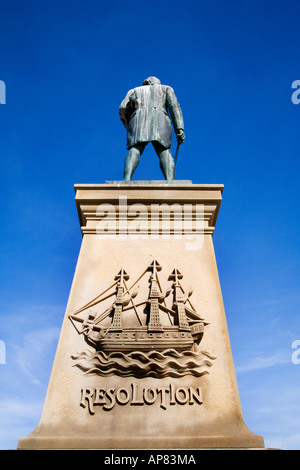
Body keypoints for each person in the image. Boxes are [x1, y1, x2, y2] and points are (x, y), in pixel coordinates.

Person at [119, 77, 185, 181]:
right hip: (161, 120)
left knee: (136, 148)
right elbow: (174, 107)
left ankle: (127, 179)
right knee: (163, 150)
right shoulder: (166, 89)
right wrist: (179, 129)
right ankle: (170, 181)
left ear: (147, 83)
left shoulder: (134, 91)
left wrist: (130, 122)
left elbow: (123, 107)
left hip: (138, 120)